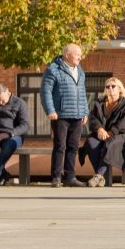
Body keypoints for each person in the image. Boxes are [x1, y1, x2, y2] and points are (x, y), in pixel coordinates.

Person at [41, 43, 90, 187]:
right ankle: (56, 177)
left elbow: (82, 93)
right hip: (60, 115)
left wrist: (85, 111)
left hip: (77, 115)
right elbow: (45, 92)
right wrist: (50, 110)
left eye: (80, 55)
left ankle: (70, 177)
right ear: (67, 54)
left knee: (73, 147)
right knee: (60, 146)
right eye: (77, 54)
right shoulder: (53, 69)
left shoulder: (80, 71)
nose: (80, 58)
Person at [80, 77, 125, 187]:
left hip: (122, 135)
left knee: (111, 143)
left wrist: (111, 132)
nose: (110, 88)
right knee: (91, 142)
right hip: (102, 134)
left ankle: (99, 175)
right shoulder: (99, 102)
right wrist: (99, 129)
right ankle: (101, 177)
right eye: (107, 86)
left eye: (113, 86)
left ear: (119, 88)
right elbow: (93, 118)